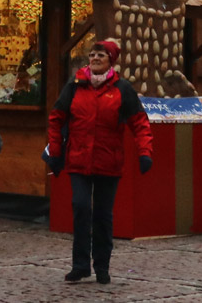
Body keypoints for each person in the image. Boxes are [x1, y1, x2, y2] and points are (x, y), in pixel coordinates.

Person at [45, 39, 153, 285]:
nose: (94, 59)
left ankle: (102, 266)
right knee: (81, 207)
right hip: (78, 159)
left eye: (100, 56)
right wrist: (55, 151)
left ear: (110, 61)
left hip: (108, 161)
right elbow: (56, 118)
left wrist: (145, 152)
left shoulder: (123, 89)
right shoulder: (74, 86)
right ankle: (80, 265)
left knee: (103, 215)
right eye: (92, 55)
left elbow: (140, 123)